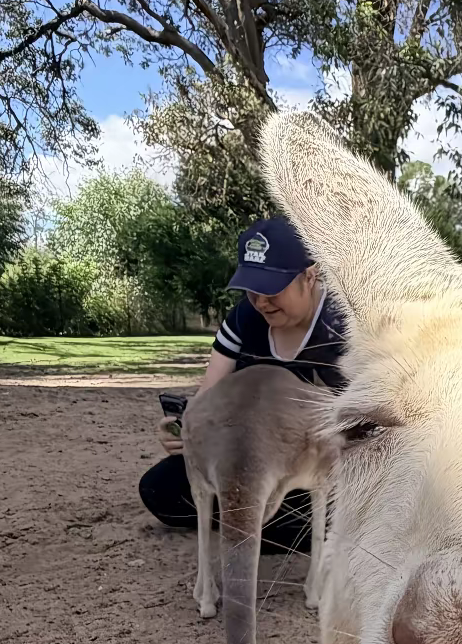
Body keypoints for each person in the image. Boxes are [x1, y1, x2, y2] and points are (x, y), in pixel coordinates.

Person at [139, 216, 346, 554]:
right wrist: (187, 430)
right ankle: (270, 524)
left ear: (309, 276)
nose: (261, 301)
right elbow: (209, 395)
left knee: (322, 500)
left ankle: (264, 522)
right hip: (248, 457)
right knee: (160, 490)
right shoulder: (243, 320)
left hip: (314, 468)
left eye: (272, 288)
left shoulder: (344, 327)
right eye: (252, 288)